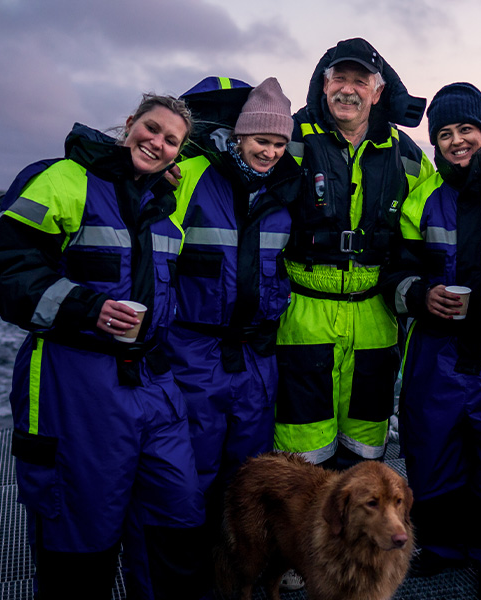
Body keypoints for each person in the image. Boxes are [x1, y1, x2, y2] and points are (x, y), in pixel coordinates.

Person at [0, 94, 203, 599]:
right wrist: (86, 307)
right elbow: (3, 268)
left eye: (172, 140)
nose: (158, 142)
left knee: (178, 513)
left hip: (152, 383)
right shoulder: (66, 179)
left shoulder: (166, 208)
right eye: (151, 128)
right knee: (82, 528)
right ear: (129, 125)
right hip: (77, 381)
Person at [383, 82, 481, 600]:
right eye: (445, 133)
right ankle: (440, 548)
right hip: (436, 353)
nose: (457, 141)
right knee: (430, 451)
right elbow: (394, 271)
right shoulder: (422, 198)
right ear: (435, 142)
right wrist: (419, 294)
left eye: (466, 129)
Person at [161, 76, 301, 572]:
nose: (269, 151)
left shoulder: (285, 191)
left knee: (249, 476)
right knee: (190, 473)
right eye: (261, 140)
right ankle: (189, 574)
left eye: (279, 143)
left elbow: (286, 264)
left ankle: (239, 571)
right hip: (194, 351)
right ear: (239, 136)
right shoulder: (190, 176)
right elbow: (155, 259)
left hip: (256, 356)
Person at [275, 37, 434, 468]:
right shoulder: (291, 138)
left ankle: (353, 538)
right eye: (338, 79)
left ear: (378, 92)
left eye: (359, 81)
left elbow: (433, 225)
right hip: (303, 315)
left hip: (375, 321)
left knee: (365, 456)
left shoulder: (408, 157)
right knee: (299, 458)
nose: (348, 89)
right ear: (323, 85)